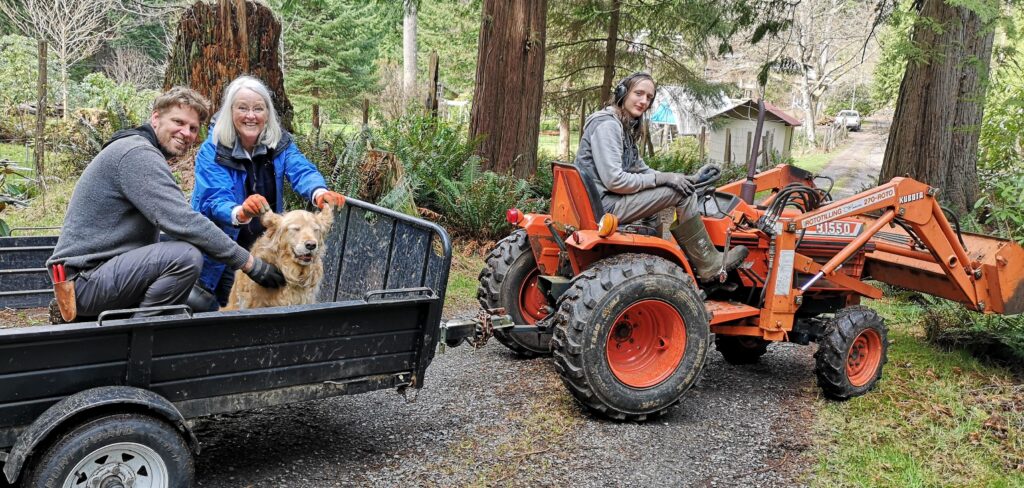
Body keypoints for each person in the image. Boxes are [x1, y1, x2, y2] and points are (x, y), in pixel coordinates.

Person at [46, 87, 286, 318]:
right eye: (178, 122)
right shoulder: (136, 154)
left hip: (99, 275)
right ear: (156, 118)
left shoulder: (138, 149)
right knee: (185, 256)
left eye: (193, 128)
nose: (187, 133)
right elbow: (183, 221)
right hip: (84, 281)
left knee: (190, 251)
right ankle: (137, 336)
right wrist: (251, 264)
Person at [574, 72, 748, 282]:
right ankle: (707, 262)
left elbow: (642, 170)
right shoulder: (608, 125)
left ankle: (654, 261)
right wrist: (667, 181)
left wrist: (681, 177)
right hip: (605, 206)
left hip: (602, 202)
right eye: (638, 93)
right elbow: (615, 181)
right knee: (682, 194)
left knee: (677, 189)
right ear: (622, 93)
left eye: (649, 97)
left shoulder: (623, 126)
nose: (644, 101)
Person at [191, 75, 346, 307]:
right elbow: (214, 198)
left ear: (268, 113)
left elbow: (301, 170)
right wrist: (240, 211)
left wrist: (319, 192)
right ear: (229, 112)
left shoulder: (279, 143)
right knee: (220, 308)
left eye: (258, 108)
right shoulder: (212, 149)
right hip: (221, 249)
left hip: (266, 246)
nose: (251, 115)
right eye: (242, 108)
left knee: (267, 309)